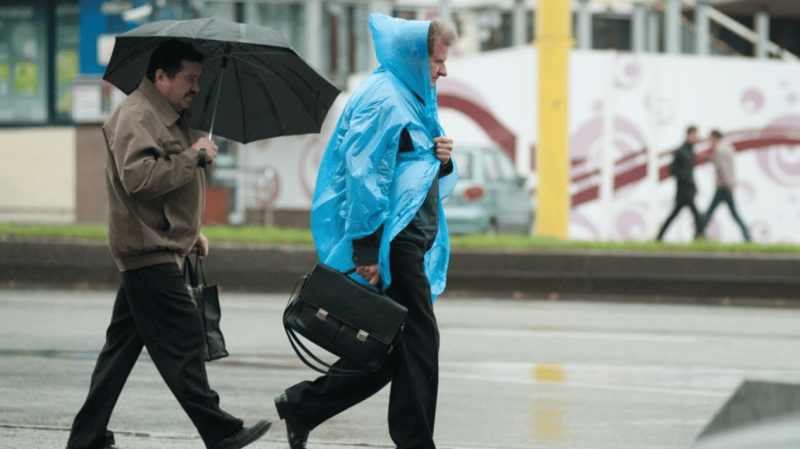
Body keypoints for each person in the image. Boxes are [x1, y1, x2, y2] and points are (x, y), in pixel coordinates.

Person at [65, 39, 270, 449]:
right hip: (146, 251)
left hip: (157, 245)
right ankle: (221, 431)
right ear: (161, 77)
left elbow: (165, 190)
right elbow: (140, 180)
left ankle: (86, 438)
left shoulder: (168, 116)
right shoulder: (137, 115)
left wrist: (187, 233)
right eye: (188, 79)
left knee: (119, 352)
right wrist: (193, 156)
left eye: (199, 79)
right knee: (185, 338)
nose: (196, 87)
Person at [273, 14, 458, 449]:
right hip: (397, 244)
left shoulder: (411, 96)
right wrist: (367, 252)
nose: (444, 70)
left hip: (405, 239)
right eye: (438, 60)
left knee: (389, 346)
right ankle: (414, 441)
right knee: (419, 344)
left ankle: (304, 405)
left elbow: (407, 168)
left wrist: (443, 158)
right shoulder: (387, 97)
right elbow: (363, 176)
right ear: (417, 56)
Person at [696, 130, 751, 241]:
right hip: (725, 186)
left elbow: (724, 170)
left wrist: (729, 185)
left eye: (710, 139)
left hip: (723, 187)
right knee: (731, 214)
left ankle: (697, 234)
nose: (709, 142)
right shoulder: (725, 148)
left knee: (711, 212)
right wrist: (708, 158)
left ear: (715, 138)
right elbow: (721, 163)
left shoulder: (721, 150)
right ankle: (747, 236)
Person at [656, 126, 702, 241]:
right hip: (682, 190)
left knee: (687, 214)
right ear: (688, 135)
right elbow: (673, 169)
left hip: (689, 189)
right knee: (693, 214)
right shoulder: (681, 151)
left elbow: (691, 172)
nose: (695, 138)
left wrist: (694, 185)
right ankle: (700, 235)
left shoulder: (691, 150)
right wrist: (683, 179)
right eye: (693, 135)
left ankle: (699, 235)